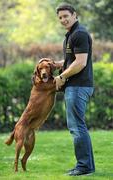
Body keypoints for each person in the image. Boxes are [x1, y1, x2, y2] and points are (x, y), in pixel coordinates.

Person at [54, 3, 95, 176]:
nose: (63, 20)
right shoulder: (70, 35)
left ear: (74, 14)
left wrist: (62, 76)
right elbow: (72, 60)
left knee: (77, 127)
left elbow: (80, 63)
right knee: (78, 126)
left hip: (78, 86)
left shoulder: (79, 34)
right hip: (75, 86)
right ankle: (86, 166)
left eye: (66, 16)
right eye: (60, 17)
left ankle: (84, 167)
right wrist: (56, 64)